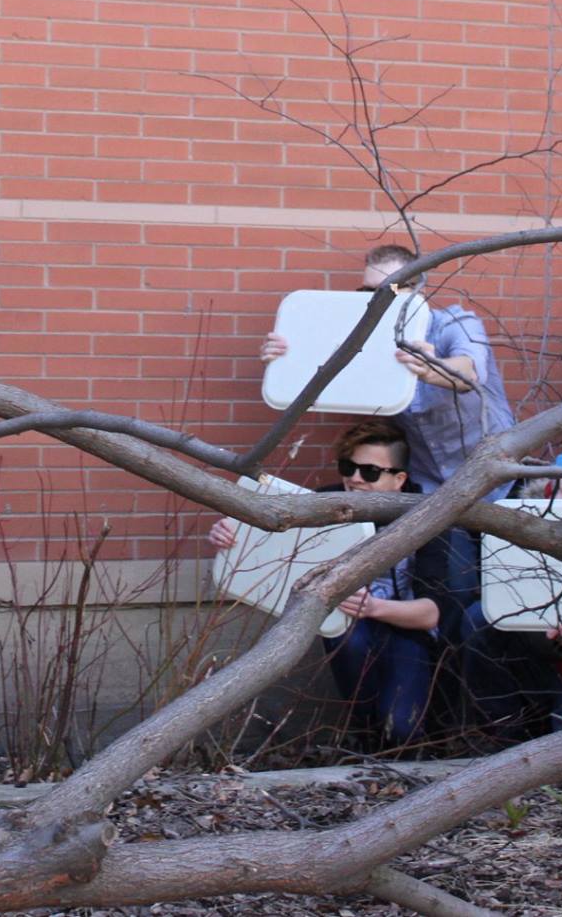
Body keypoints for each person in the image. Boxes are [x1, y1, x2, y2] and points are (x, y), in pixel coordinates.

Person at [209, 419, 474, 750]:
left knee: (402, 727)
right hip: (348, 624)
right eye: (349, 467)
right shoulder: (327, 502)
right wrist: (232, 534)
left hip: (406, 626)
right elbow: (271, 535)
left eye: (370, 472)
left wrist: (375, 607)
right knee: (347, 640)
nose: (355, 478)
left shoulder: (426, 517)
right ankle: (367, 744)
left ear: (399, 479)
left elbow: (431, 614)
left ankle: (401, 752)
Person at [260, 244, 515, 494]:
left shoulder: (455, 323)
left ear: (417, 289)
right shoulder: (365, 340)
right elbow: (326, 379)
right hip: (429, 486)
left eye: (389, 289)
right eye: (367, 290)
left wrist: (431, 369)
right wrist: (287, 358)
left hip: (495, 478)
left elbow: (470, 372)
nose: (376, 299)